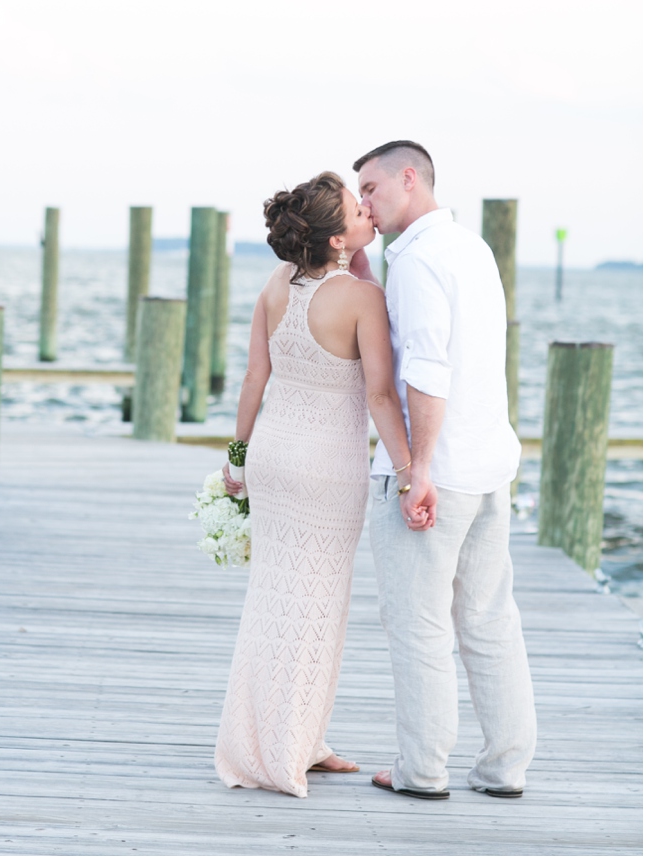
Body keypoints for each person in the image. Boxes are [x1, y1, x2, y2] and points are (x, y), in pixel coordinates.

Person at [214, 170, 419, 798]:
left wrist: (236, 460)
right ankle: (286, 746)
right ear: (336, 241)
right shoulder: (362, 298)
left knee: (274, 600)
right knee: (317, 608)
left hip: (273, 456)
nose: (368, 214)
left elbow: (254, 379)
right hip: (327, 468)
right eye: (358, 212)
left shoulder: (277, 286)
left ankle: (301, 738)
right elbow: (382, 395)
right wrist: (411, 470)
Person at [353, 139, 537, 801]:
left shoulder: (421, 260)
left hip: (441, 471)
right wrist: (368, 275)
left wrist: (415, 469)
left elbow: (426, 369)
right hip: (489, 465)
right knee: (489, 618)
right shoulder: (469, 248)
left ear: (410, 178)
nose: (365, 205)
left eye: (371, 189)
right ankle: (504, 765)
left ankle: (422, 769)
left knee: (418, 621)